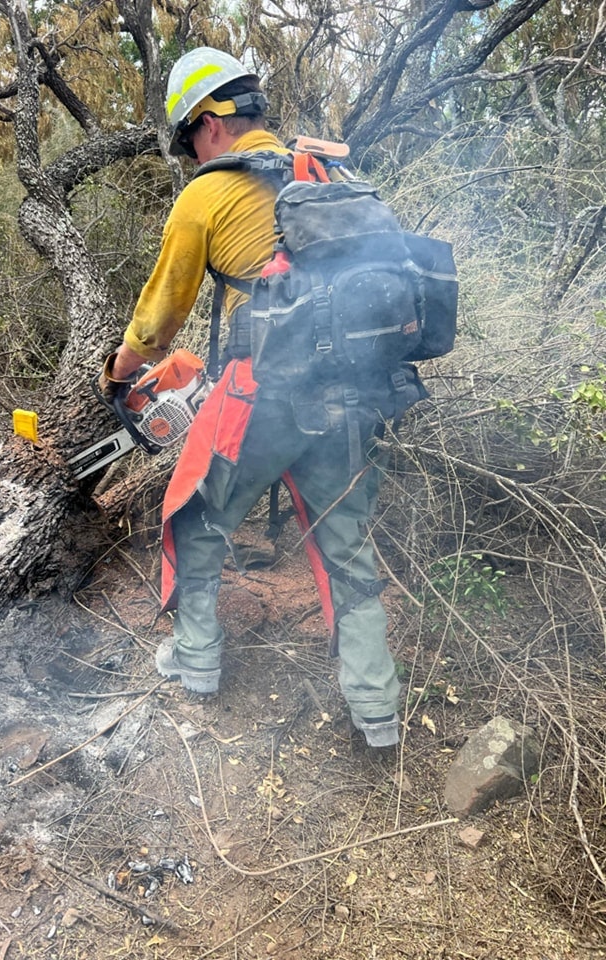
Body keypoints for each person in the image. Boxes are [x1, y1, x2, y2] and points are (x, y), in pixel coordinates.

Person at [100, 47, 402, 748]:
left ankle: (198, 661)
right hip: (353, 398)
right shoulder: (328, 172)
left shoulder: (209, 192)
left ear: (208, 123)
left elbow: (156, 320)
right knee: (348, 546)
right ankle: (376, 705)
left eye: (188, 140)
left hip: (266, 397)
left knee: (194, 514)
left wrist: (119, 377)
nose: (192, 154)